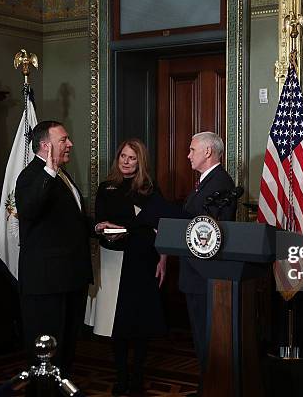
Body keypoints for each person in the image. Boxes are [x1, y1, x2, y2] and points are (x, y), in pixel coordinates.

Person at [15, 120, 115, 374]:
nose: (70, 144)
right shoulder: (31, 176)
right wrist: (48, 172)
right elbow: (29, 209)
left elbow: (67, 219)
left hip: (70, 278)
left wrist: (94, 227)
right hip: (47, 282)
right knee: (46, 349)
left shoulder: (60, 174)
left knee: (67, 347)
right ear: (46, 146)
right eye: (64, 140)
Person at [94, 139, 169, 396]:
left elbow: (161, 228)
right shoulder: (106, 188)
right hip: (114, 259)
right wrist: (109, 230)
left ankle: (137, 375)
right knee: (118, 324)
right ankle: (121, 376)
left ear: (141, 162)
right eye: (123, 156)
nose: (126, 161)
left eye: (132, 158)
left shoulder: (149, 189)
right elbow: (100, 222)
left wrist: (163, 259)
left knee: (140, 322)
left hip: (143, 260)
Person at [181, 132, 237, 373]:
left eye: (192, 150)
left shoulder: (219, 183)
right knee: (201, 336)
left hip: (205, 273)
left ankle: (212, 385)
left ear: (207, 152)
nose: (188, 155)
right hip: (196, 272)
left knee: (208, 335)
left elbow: (206, 226)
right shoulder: (208, 181)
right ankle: (208, 384)